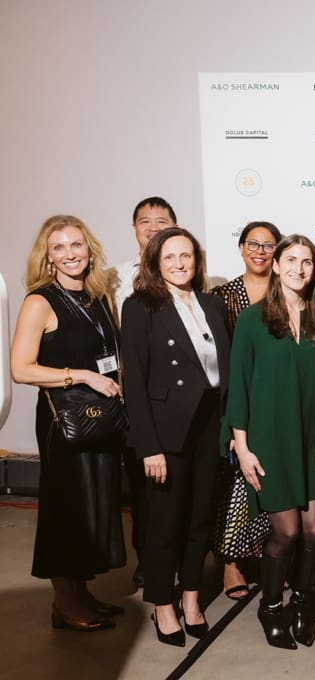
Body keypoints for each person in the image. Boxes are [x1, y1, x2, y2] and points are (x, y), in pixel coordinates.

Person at [11, 215, 127, 631]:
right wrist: (81, 375)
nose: (69, 254)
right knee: (67, 508)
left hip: (102, 419)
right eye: (58, 247)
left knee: (94, 505)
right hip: (66, 422)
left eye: (76, 245)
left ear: (89, 248)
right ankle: (63, 602)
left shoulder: (97, 297)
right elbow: (20, 369)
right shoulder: (40, 300)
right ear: (47, 256)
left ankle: (81, 594)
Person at [226, 234, 315, 650]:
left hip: (313, 439)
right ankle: (271, 606)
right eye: (290, 260)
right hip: (268, 440)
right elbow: (237, 386)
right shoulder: (252, 319)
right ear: (275, 266)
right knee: (287, 531)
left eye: (307, 261)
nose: (298, 268)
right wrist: (242, 446)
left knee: (314, 530)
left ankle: (303, 603)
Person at [121, 227, 231, 647]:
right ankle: (162, 605)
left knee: (200, 518)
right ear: (155, 262)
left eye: (187, 256)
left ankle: (190, 598)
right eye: (170, 257)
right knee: (165, 522)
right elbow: (135, 380)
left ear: (196, 261)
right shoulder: (140, 307)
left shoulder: (211, 304)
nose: (180, 264)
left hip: (209, 424)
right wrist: (148, 446)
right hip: (167, 432)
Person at [209, 221, 282, 601]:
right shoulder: (221, 295)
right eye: (252, 243)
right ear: (240, 248)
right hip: (234, 397)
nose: (260, 250)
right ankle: (231, 563)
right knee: (234, 483)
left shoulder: (286, 291)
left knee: (271, 480)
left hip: (275, 402)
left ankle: (271, 557)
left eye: (268, 244)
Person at [113, 195, 177, 589]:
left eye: (162, 220)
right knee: (143, 489)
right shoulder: (112, 279)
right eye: (145, 221)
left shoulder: (189, 271)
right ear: (134, 228)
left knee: (178, 486)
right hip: (133, 398)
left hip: (179, 401)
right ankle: (148, 561)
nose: (153, 227)